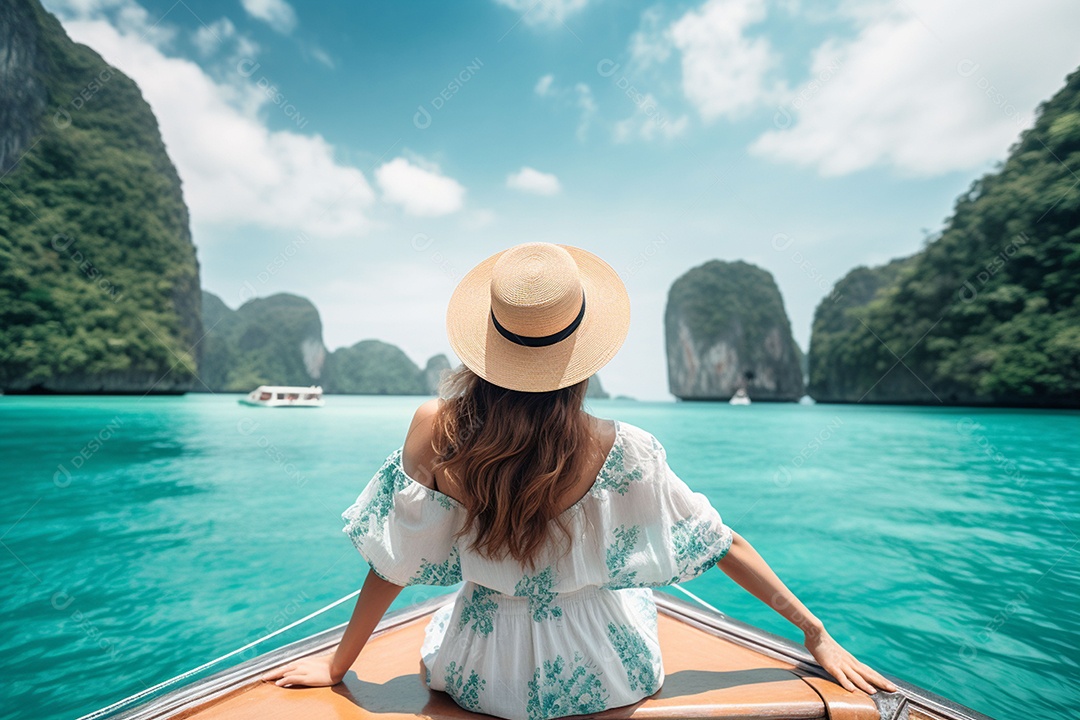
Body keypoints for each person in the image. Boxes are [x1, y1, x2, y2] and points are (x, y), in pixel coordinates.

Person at [260, 242, 897, 718]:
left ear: (486, 343)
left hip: (482, 672)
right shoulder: (629, 449)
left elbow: (393, 562)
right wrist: (815, 632)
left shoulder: (435, 427)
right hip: (605, 669)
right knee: (636, 596)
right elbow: (722, 543)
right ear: (582, 356)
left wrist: (339, 665)